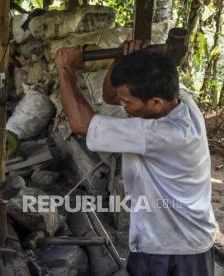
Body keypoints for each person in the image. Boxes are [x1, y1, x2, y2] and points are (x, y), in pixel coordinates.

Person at [55, 42, 215, 276]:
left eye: (128, 103)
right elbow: (111, 96)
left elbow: (81, 124)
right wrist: (122, 59)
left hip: (173, 249)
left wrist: (65, 70)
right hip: (170, 240)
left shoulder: (163, 134)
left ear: (156, 103)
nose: (121, 105)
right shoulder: (180, 100)